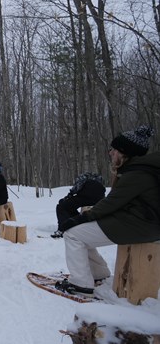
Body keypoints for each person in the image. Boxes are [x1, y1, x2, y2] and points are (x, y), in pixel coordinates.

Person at [56, 125, 160, 296]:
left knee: (72, 234)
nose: (110, 153)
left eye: (114, 150)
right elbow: (116, 203)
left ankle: (81, 283)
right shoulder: (140, 170)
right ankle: (99, 273)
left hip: (141, 225)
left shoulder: (136, 174)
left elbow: (111, 203)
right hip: (141, 222)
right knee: (78, 232)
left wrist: (83, 217)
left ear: (125, 153)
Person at [50, 172, 106, 239]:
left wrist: (68, 196)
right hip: (99, 200)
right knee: (71, 206)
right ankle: (77, 221)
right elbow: (104, 190)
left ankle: (62, 229)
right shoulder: (100, 178)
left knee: (62, 206)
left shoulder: (83, 177)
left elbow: (76, 188)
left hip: (84, 198)